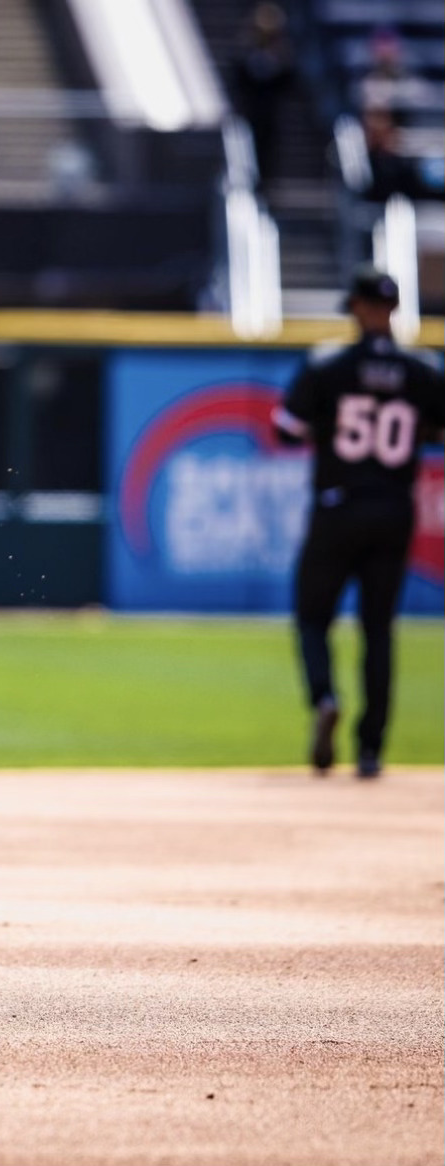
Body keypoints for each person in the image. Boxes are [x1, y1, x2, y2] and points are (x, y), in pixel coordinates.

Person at [272, 265, 445, 778]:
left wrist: (327, 427)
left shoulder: (328, 364)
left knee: (311, 617)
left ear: (357, 308)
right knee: (378, 631)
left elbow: (285, 428)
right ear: (391, 311)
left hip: (337, 504)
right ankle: (371, 749)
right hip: (394, 508)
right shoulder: (424, 368)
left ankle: (324, 698)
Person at [230, 1, 295, 191]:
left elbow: (288, 82)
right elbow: (239, 79)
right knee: (248, 148)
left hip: (270, 112)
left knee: (268, 149)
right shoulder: (246, 53)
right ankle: (249, 183)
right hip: (250, 111)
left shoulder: (280, 56)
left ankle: (267, 182)